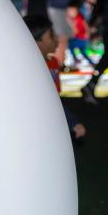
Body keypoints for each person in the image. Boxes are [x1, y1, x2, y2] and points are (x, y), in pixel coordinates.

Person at [25, 15, 86, 143]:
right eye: (51, 35)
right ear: (37, 42)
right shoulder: (27, 69)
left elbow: (55, 101)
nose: (57, 39)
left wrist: (72, 122)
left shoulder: (52, 63)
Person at [64, 0, 94, 69]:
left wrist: (70, 23)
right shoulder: (77, 17)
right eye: (69, 11)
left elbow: (76, 30)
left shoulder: (77, 18)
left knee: (70, 45)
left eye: (72, 11)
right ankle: (91, 63)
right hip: (82, 37)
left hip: (81, 37)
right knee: (82, 52)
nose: (70, 13)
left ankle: (76, 59)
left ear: (76, 11)